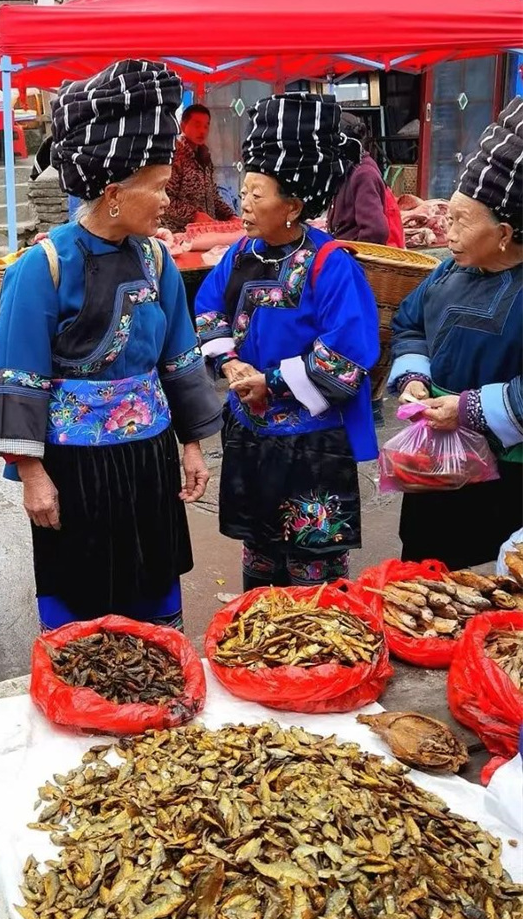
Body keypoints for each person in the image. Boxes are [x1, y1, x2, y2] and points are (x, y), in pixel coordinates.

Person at [0, 59, 223, 631]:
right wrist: (32, 474)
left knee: (151, 586)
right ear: (115, 193)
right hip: (74, 469)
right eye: (159, 187)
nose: (167, 199)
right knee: (82, 597)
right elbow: (17, 377)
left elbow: (180, 358)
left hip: (149, 460)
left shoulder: (157, 259)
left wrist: (191, 445)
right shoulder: (43, 266)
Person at [194, 93, 379, 589]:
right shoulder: (241, 253)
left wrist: (271, 382)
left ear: (293, 206)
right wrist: (230, 364)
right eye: (244, 191)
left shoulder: (331, 263)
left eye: (257, 194)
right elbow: (209, 309)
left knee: (312, 569)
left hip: (311, 446)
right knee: (259, 556)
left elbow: (348, 352)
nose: (244, 204)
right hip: (251, 435)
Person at [389, 96, 523, 570]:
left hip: (505, 480)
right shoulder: (448, 272)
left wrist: (469, 409)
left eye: (462, 220)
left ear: (504, 233)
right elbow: (410, 324)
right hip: (434, 465)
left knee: (486, 583)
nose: (447, 229)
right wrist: (414, 378)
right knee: (421, 571)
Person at [328, 117, 404, 247]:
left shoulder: (364, 175)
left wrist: (353, 256)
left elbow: (376, 231)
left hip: (355, 255)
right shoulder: (347, 169)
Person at [163, 103, 237, 233]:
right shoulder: (174, 156)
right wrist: (194, 216)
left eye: (206, 126)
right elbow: (165, 200)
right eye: (197, 125)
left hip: (205, 233)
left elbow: (212, 196)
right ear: (183, 126)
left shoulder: (205, 156)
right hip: (177, 234)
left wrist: (230, 216)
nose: (202, 131)